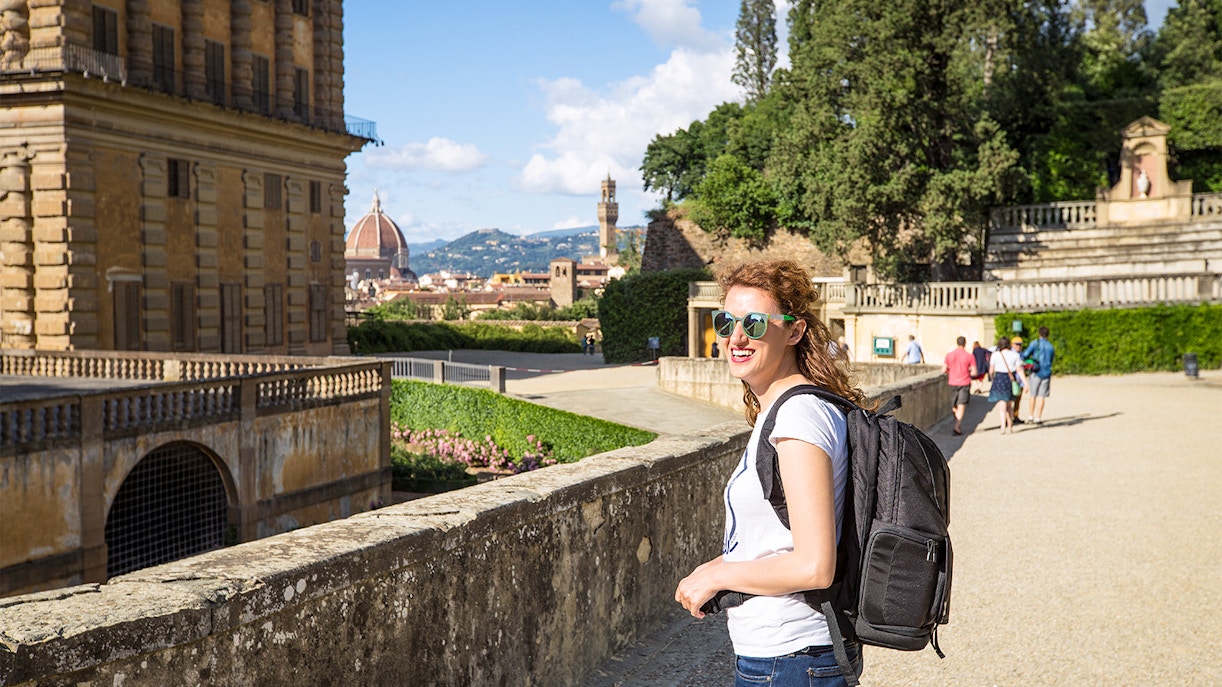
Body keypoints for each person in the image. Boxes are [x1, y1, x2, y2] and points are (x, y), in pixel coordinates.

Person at [675, 260, 868, 686]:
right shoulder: (783, 410)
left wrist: (720, 575)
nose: (736, 338)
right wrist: (715, 566)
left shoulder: (799, 417)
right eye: (725, 322)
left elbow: (815, 566)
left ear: (794, 332)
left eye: (755, 324)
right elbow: (778, 542)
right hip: (788, 656)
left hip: (793, 658)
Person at [987, 335, 1027, 435]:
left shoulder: (995, 355)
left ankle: (1003, 426)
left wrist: (992, 378)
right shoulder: (1015, 355)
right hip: (1010, 379)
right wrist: (1025, 383)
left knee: (1002, 405)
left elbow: (991, 371)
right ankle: (1010, 425)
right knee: (1009, 405)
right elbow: (1019, 370)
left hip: (999, 378)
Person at [942, 336, 977, 436]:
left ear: (957, 343)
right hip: (964, 382)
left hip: (952, 382)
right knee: (961, 404)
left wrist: (951, 370)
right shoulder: (969, 356)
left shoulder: (949, 355)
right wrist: (968, 370)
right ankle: (957, 426)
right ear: (965, 343)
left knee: (954, 405)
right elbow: (974, 372)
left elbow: (943, 370)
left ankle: (957, 425)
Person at [1021, 326, 1056, 424]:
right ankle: (1038, 418)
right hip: (1046, 372)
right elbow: (1051, 359)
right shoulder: (1051, 346)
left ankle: (1031, 416)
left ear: (1039, 334)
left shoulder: (1035, 343)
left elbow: (1025, 355)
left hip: (1036, 371)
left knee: (1033, 395)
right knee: (1042, 396)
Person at [1009, 336, 1025, 423]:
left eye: (1020, 345)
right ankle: (1008, 417)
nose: (1018, 346)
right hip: (1013, 379)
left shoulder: (1021, 354)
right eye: (1017, 344)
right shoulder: (1010, 353)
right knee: (1010, 400)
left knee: (1018, 399)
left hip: (1020, 379)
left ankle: (1015, 416)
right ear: (1012, 344)